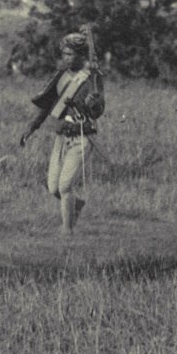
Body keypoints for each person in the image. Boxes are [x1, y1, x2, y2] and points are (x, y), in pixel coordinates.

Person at [19, 31, 105, 236]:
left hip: (82, 136)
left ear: (81, 55)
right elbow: (46, 104)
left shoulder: (92, 78)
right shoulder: (60, 75)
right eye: (64, 54)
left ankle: (67, 232)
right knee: (53, 188)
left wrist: (93, 104)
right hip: (61, 136)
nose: (66, 58)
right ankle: (76, 205)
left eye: (70, 54)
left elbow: (99, 110)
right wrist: (31, 127)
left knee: (65, 186)